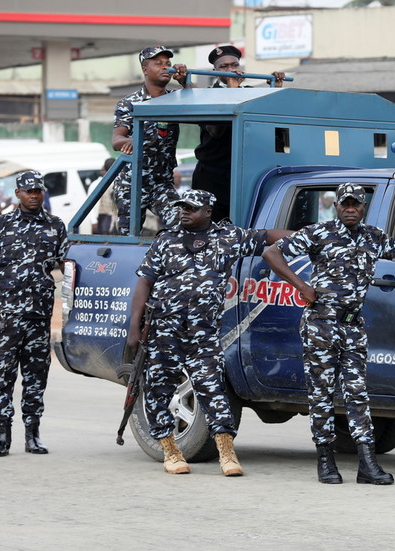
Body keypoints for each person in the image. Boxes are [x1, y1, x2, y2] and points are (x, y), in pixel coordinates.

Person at [262, 182, 395, 485]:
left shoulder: (373, 237)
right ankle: (325, 461)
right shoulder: (320, 232)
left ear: (363, 206)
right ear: (337, 206)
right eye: (345, 204)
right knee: (322, 393)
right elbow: (272, 253)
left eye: (356, 204)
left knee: (357, 393)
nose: (350, 209)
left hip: (354, 326)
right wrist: (301, 285)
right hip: (321, 324)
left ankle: (367, 464)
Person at [128, 189, 290, 476]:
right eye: (182, 208)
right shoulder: (166, 239)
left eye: (191, 208)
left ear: (208, 211)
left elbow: (268, 237)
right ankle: (171, 451)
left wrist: (313, 236)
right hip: (165, 330)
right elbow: (145, 281)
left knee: (213, 388)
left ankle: (227, 454)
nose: (184, 212)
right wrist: (134, 326)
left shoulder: (228, 238)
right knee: (157, 389)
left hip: (203, 334)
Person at [0, 171, 68, 457]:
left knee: (36, 378)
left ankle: (33, 434)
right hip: (5, 317)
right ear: (17, 193)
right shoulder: (1, 225)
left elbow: (67, 268)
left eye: (38, 191)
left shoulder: (55, 226)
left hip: (39, 318)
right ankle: (2, 435)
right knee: (2, 377)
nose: (34, 195)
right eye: (29, 191)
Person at [192, 45, 286, 222]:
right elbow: (216, 131)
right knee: (210, 224)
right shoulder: (207, 95)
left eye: (234, 65)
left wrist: (275, 90)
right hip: (213, 175)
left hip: (245, 173)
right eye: (224, 67)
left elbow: (272, 125)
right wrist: (231, 93)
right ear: (215, 71)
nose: (231, 70)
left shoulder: (251, 93)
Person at [111, 46, 190, 234]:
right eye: (158, 64)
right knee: (130, 234)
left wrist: (185, 83)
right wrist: (129, 141)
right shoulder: (130, 102)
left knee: (181, 222)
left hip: (161, 182)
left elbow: (206, 104)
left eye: (168, 64)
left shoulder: (177, 99)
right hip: (133, 182)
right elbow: (116, 140)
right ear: (145, 69)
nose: (165, 68)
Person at [93, 157, 116, 235]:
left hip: (111, 218)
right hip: (105, 217)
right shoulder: (98, 184)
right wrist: (93, 221)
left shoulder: (116, 182)